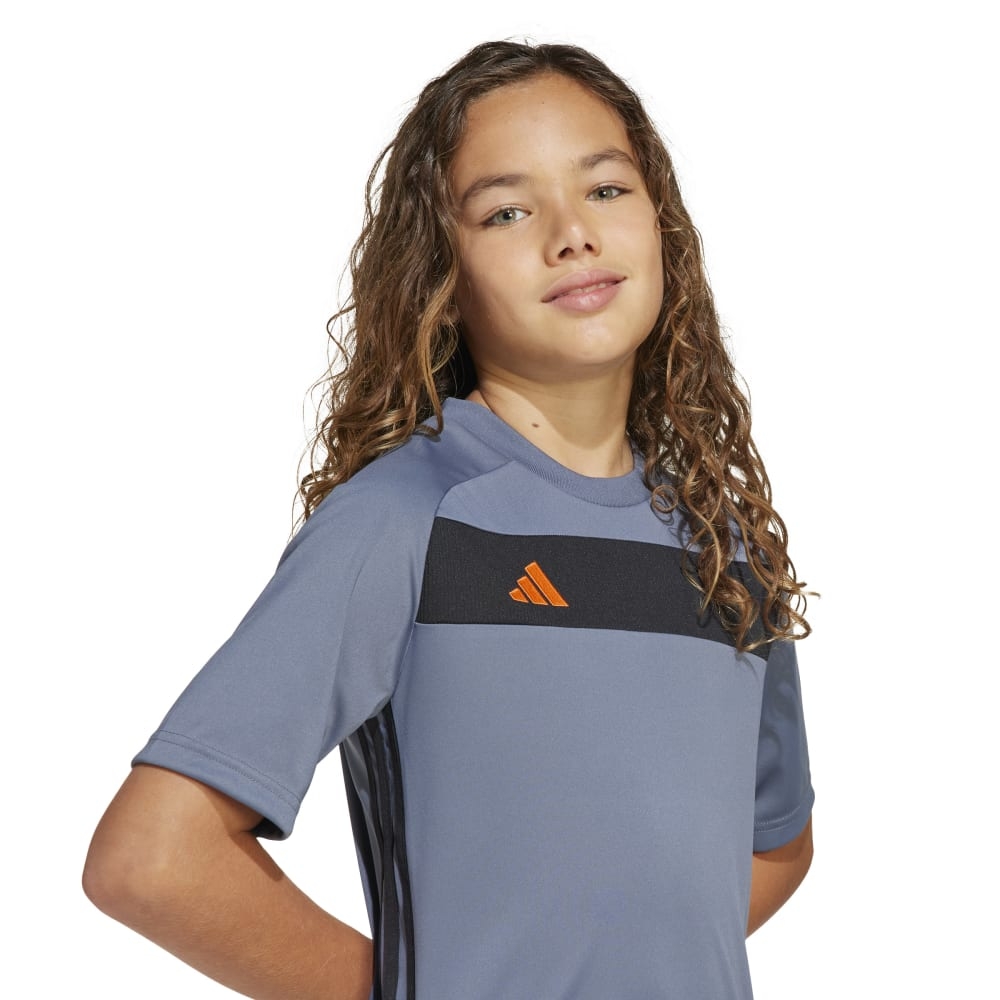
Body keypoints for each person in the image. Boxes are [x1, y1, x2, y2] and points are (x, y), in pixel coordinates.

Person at [83, 40, 814, 1000]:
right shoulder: (407, 519)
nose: (572, 235)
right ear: (443, 274)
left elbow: (774, 848)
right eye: (507, 211)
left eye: (605, 189)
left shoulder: (724, 545)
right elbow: (152, 858)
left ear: (662, 226)